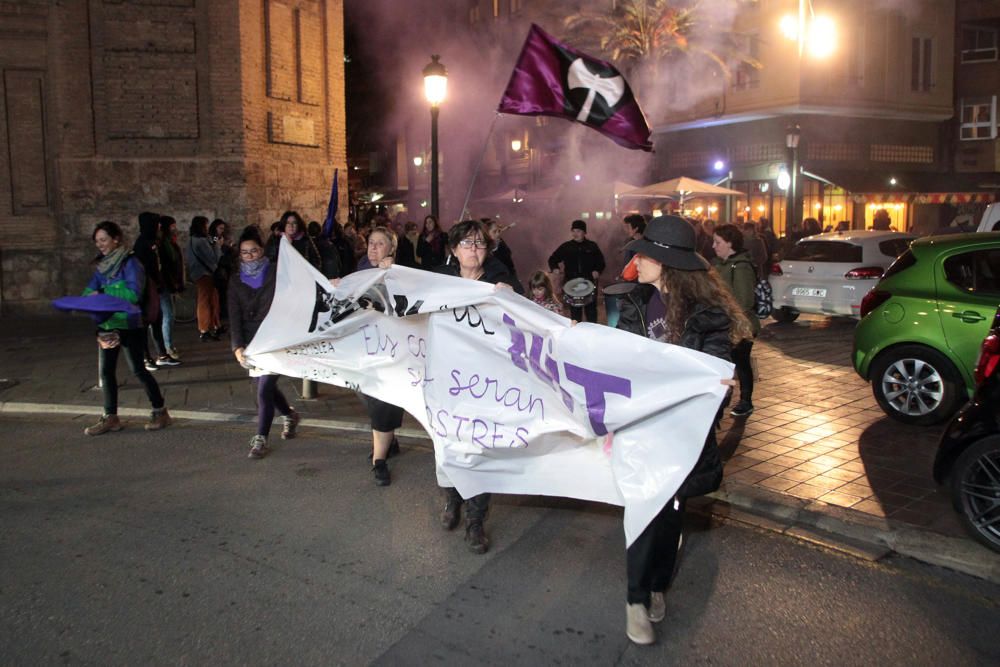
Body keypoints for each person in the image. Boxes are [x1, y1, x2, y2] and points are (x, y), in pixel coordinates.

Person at [615, 214, 750, 645]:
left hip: (681, 433)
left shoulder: (708, 316)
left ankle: (655, 586)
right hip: (639, 427)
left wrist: (718, 388)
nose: (637, 258)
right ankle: (635, 601)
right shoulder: (634, 301)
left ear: (665, 262)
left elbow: (714, 378)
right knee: (642, 509)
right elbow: (618, 355)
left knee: (671, 515)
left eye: (645, 253)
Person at [434, 219, 523, 554]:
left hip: (483, 381)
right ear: (454, 250)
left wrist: (511, 295)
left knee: (479, 447)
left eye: (480, 244)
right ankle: (452, 499)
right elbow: (401, 288)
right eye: (467, 244)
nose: (474, 249)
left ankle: (476, 520)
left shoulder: (498, 278)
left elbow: (521, 303)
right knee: (447, 442)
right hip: (444, 376)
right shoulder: (437, 279)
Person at [82, 221, 172, 436]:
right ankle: (110, 416)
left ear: (116, 239)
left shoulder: (131, 263)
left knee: (138, 370)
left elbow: (134, 294)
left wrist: (104, 294)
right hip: (108, 324)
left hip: (130, 325)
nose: (100, 245)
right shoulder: (101, 266)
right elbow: (87, 293)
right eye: (97, 241)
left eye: (103, 240)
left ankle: (160, 411)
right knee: (106, 371)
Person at [229, 226, 300, 458]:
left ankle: (260, 439)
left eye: (254, 251)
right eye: (245, 252)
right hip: (253, 342)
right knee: (267, 387)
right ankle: (289, 414)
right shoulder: (235, 281)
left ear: (262, 251)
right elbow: (234, 315)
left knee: (263, 390)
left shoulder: (277, 273)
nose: (250, 256)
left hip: (276, 337)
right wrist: (237, 346)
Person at [353, 226, 403, 485]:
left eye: (380, 244)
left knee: (382, 400)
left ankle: (379, 461)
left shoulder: (400, 272)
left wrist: (391, 273)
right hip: (363, 347)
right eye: (370, 242)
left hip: (391, 349)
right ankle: (389, 439)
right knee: (369, 396)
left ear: (391, 249)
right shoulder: (360, 270)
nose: (373, 247)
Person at [712, 224, 761, 417]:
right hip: (723, 324)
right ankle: (725, 400)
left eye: (718, 242)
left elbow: (745, 300)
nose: (713, 246)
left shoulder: (740, 266)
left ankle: (745, 401)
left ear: (730, 244)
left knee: (740, 363)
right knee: (727, 363)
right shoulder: (717, 264)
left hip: (741, 326)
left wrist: (722, 306)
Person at [131, 211, 169, 370]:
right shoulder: (142, 244)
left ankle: (162, 354)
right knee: (146, 323)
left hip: (155, 288)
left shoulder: (154, 241)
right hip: (146, 290)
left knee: (157, 321)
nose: (159, 227)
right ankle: (146, 358)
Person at [547, 219, 605, 323]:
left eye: (578, 231)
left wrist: (597, 271)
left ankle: (593, 334)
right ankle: (576, 334)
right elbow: (552, 258)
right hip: (571, 285)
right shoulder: (566, 247)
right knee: (575, 313)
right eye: (573, 231)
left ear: (584, 232)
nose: (575, 233)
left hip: (589, 283)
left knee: (591, 312)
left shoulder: (592, 246)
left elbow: (601, 262)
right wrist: (555, 268)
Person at [185, 216, 222, 341]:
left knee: (211, 299)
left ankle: (211, 326)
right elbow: (213, 257)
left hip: (198, 273)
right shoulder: (200, 241)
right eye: (206, 226)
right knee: (205, 301)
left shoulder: (191, 239)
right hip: (204, 274)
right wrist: (217, 246)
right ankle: (205, 329)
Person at [157, 215, 184, 361]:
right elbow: (167, 266)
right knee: (168, 316)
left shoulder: (169, 242)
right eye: (173, 226)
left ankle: (167, 345)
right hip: (164, 285)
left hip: (169, 284)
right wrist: (174, 284)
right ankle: (167, 346)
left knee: (168, 316)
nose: (175, 229)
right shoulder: (163, 244)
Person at [209, 218, 233, 332]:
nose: (221, 231)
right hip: (217, 270)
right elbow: (216, 252)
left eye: (223, 229)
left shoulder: (220, 238)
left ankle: (218, 322)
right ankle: (216, 322)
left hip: (223, 268)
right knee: (217, 296)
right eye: (220, 228)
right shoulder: (213, 238)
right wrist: (222, 246)